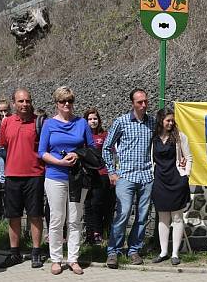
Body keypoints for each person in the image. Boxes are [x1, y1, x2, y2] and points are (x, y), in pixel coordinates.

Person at [38, 86, 94, 275]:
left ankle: (73, 258)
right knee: (56, 218)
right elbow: (42, 152)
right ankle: (55, 259)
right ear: (57, 104)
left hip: (77, 177)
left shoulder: (82, 123)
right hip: (55, 176)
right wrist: (59, 161)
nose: (67, 104)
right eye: (63, 101)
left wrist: (77, 155)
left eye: (70, 101)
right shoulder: (48, 124)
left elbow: (91, 148)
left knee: (75, 219)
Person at [103, 89, 155, 267]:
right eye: (140, 102)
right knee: (123, 213)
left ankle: (134, 249)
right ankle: (113, 251)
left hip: (146, 175)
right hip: (126, 175)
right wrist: (112, 171)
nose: (144, 105)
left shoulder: (152, 122)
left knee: (142, 216)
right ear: (132, 103)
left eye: (145, 101)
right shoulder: (121, 122)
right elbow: (107, 146)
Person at [0, 88, 46, 269]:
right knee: (13, 216)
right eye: (21, 101)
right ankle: (14, 253)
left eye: (27, 101)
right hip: (12, 176)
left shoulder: (40, 122)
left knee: (35, 216)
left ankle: (36, 253)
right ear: (13, 103)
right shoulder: (6, 123)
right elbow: (2, 144)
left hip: (34, 175)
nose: (25, 104)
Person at [151, 108, 193, 265]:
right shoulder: (154, 138)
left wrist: (186, 176)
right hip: (160, 181)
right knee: (162, 218)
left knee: (177, 218)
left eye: (172, 120)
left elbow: (189, 157)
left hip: (176, 181)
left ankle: (175, 253)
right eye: (167, 120)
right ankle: (163, 252)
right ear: (161, 120)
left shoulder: (180, 137)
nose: (170, 123)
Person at [82, 108, 113, 246]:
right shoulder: (82, 136)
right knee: (87, 205)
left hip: (102, 174)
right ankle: (89, 234)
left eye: (95, 118)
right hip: (86, 175)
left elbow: (111, 153)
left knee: (98, 204)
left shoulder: (105, 135)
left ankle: (98, 232)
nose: (93, 121)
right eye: (90, 119)